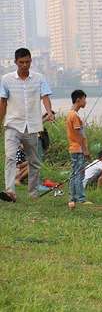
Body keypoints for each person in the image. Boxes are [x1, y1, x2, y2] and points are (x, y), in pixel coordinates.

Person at [0, 48, 55, 203]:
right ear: (15, 62)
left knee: (34, 162)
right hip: (12, 124)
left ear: (31, 61)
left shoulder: (39, 78)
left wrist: (49, 112)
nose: (25, 65)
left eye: (27, 62)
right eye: (21, 62)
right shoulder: (6, 79)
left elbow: (45, 96)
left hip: (32, 126)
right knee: (10, 158)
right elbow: (3, 102)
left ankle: (33, 193)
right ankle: (10, 192)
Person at [66, 89, 91, 209]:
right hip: (78, 148)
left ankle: (72, 197)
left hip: (74, 148)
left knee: (74, 174)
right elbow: (79, 135)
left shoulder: (70, 114)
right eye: (84, 99)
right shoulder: (74, 115)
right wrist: (85, 149)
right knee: (79, 174)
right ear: (78, 100)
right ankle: (80, 198)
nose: (85, 101)